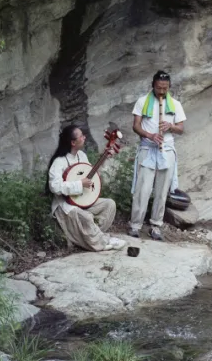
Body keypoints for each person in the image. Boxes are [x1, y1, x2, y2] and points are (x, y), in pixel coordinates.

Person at [46, 124, 125, 252]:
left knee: (109, 204)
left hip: (83, 199)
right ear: (73, 142)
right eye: (81, 136)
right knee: (86, 217)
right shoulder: (59, 161)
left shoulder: (81, 155)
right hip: (66, 205)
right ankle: (102, 241)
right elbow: (54, 187)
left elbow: (91, 175)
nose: (84, 137)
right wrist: (79, 184)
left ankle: (92, 235)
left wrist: (105, 158)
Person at [130, 70, 186, 240]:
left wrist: (171, 126)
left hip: (166, 150)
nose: (162, 91)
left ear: (169, 87)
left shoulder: (175, 104)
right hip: (148, 149)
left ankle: (156, 225)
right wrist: (150, 135)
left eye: (165, 88)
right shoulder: (142, 101)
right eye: (159, 88)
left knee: (162, 191)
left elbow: (181, 129)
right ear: (153, 85)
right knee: (143, 189)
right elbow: (136, 126)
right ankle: (135, 225)